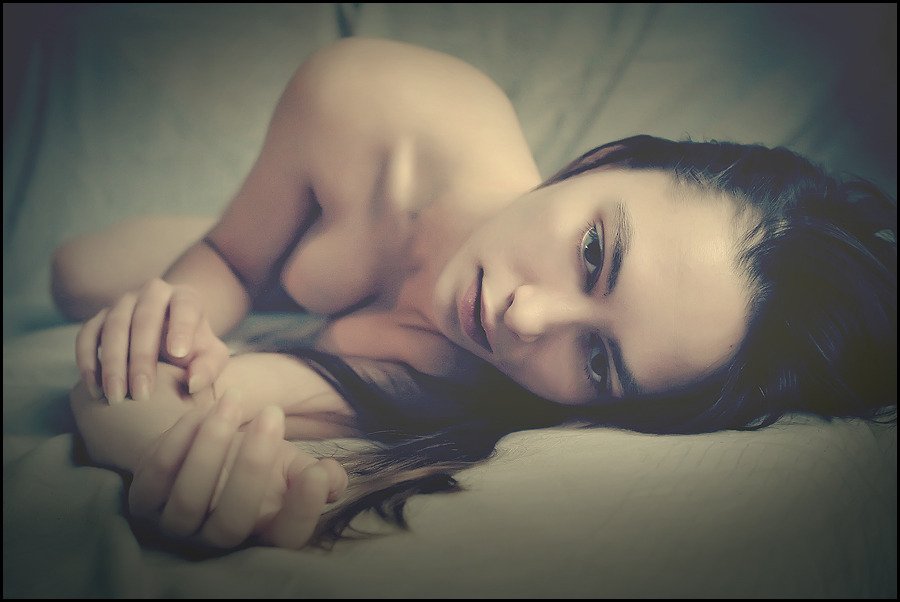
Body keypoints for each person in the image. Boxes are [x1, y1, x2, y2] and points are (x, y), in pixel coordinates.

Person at [59, 37, 897, 552]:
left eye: (597, 360)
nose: (524, 320)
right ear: (604, 162)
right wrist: (186, 304)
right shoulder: (381, 103)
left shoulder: (467, 381)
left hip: (342, 306)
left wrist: (210, 469)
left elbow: (167, 401)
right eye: (594, 253)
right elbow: (231, 264)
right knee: (79, 274)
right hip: (288, 232)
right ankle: (292, 248)